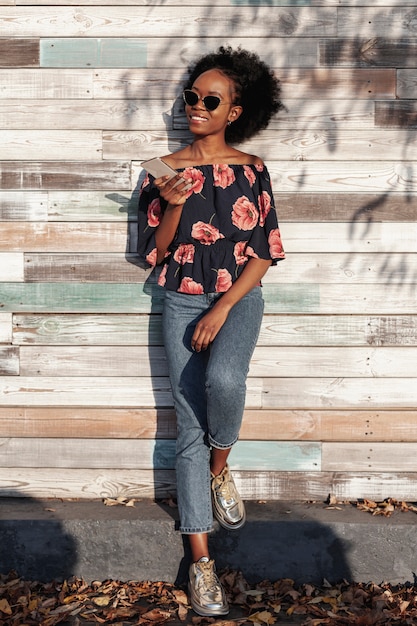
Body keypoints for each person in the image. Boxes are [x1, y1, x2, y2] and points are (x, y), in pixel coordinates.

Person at [137, 45, 285, 617]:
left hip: (237, 298)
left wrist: (223, 308)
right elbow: (157, 252)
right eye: (191, 97)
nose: (196, 107)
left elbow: (264, 252)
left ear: (235, 111)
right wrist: (171, 204)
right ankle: (201, 563)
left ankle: (221, 468)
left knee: (224, 382)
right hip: (179, 299)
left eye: (210, 100)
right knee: (188, 423)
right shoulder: (163, 168)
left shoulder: (252, 169)